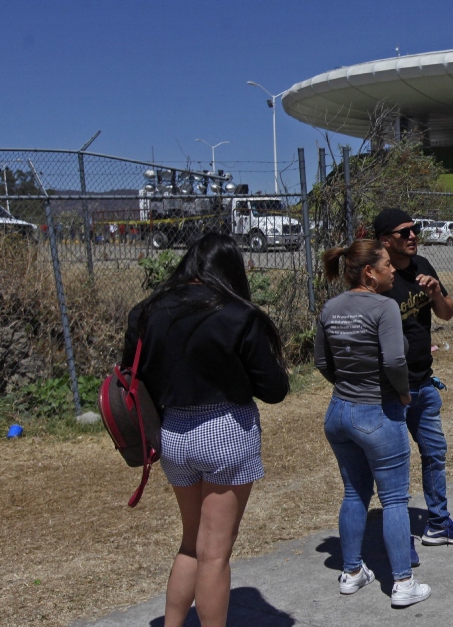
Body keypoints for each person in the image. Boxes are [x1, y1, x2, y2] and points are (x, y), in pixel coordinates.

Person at [121, 234, 288, 627]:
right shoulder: (238, 313)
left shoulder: (147, 311)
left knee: (190, 545)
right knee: (215, 553)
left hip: (173, 432)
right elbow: (274, 390)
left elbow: (132, 373)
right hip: (226, 431)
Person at [316, 239, 431, 607]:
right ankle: (403, 582)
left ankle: (351, 571)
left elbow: (322, 362)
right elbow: (396, 362)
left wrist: (346, 384)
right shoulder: (384, 307)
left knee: (354, 493)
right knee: (395, 498)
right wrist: (402, 393)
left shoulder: (330, 307)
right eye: (386, 264)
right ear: (369, 271)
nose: (393, 270)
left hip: (338, 413)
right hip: (377, 412)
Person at [374, 209, 453, 547]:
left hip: (423, 383)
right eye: (403, 232)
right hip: (389, 390)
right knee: (394, 465)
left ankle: (438, 523)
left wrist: (435, 292)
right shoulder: (377, 279)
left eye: (414, 229)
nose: (412, 236)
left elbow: (446, 313)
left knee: (435, 454)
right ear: (385, 240)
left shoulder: (423, 267)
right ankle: (396, 536)